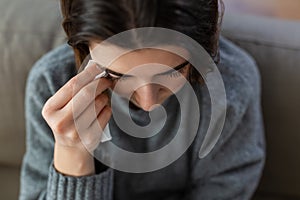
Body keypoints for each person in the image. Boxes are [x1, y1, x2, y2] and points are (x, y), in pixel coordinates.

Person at [19, 0, 266, 199]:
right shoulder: (51, 84)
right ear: (85, 51)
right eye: (116, 75)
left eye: (170, 72)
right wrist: (72, 154)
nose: (148, 103)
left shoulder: (231, 87)